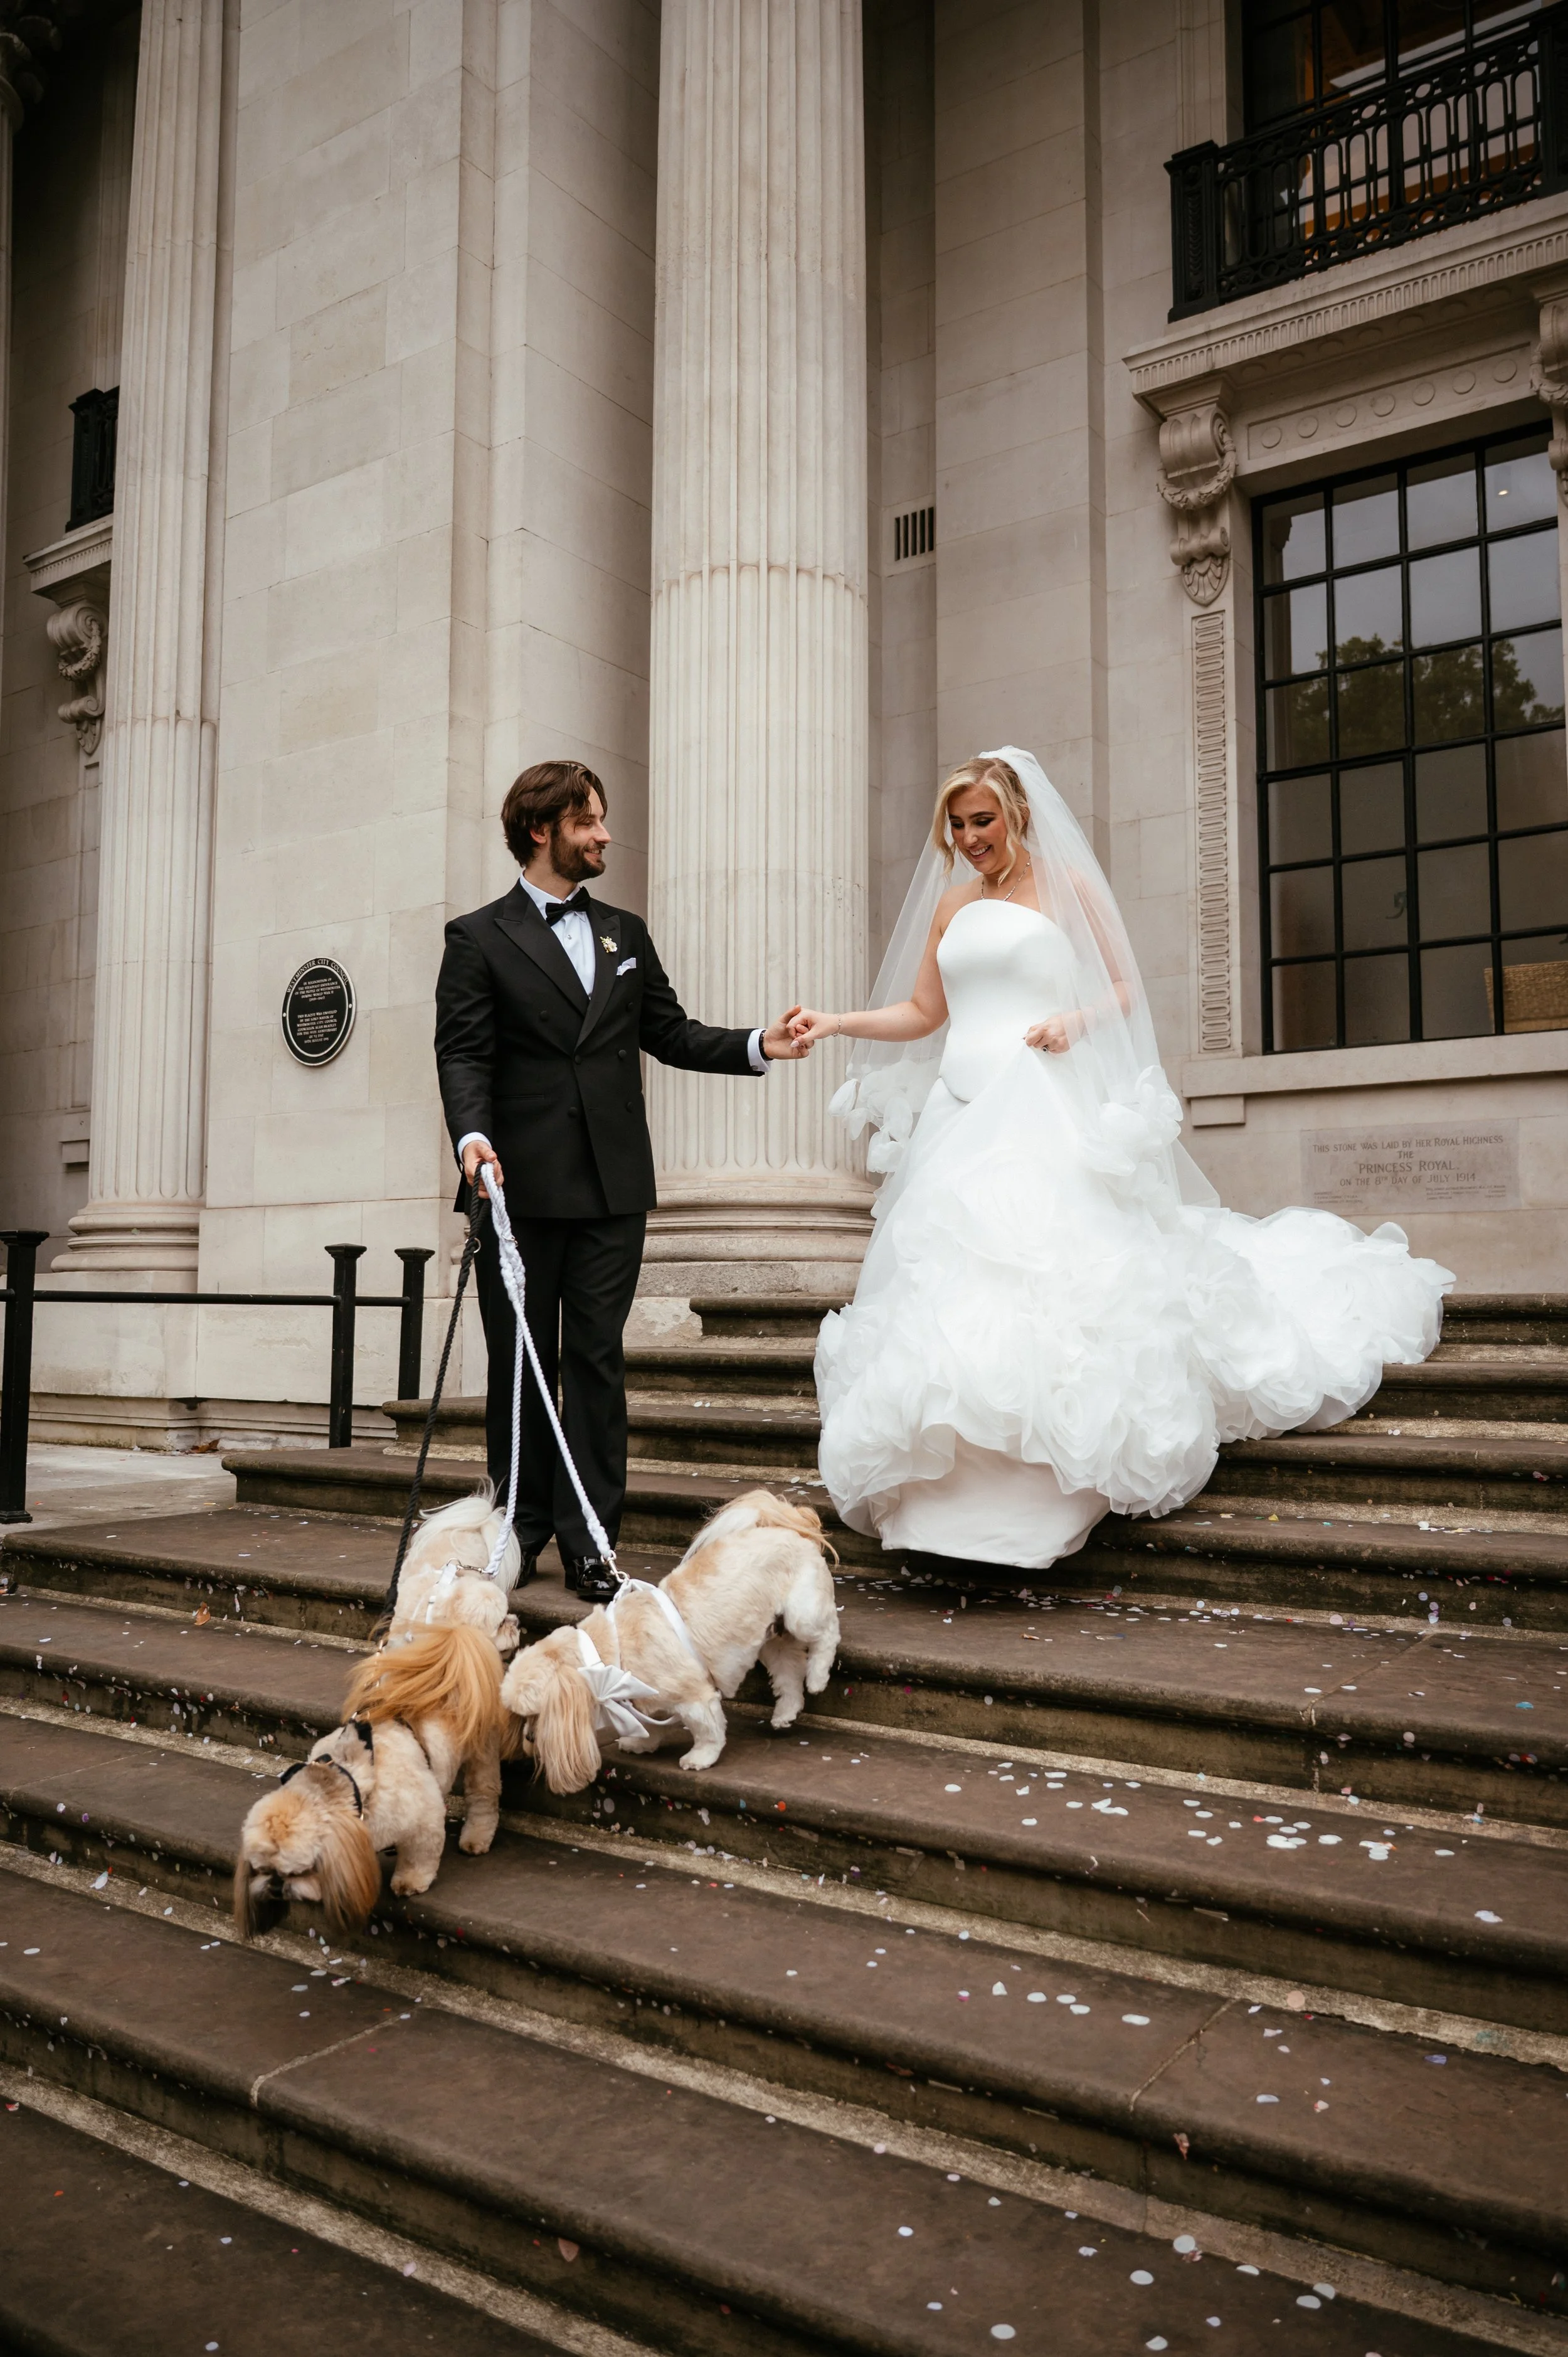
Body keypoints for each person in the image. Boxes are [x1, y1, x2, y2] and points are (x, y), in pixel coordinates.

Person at [788, 748, 1451, 1577]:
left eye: (982, 821)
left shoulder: (1067, 889)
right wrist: (837, 1021)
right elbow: (925, 1012)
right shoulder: (953, 906)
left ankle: (1041, 1495)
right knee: (952, 1294)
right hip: (960, 1119)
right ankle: (947, 1499)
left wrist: (1074, 1021)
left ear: (1018, 815)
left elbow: (1125, 991)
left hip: (1042, 1107)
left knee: (1056, 1288)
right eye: (957, 826)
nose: (969, 838)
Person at [435, 759, 808, 1602]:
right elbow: (462, 1052)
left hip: (613, 1190)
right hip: (515, 1190)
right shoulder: (478, 938)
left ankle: (592, 1541)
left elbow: (670, 1033)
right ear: (543, 830)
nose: (605, 834)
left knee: (597, 1360)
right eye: (589, 821)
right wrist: (473, 1137)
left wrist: (757, 1044)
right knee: (523, 1365)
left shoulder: (625, 934)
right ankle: (518, 1534)